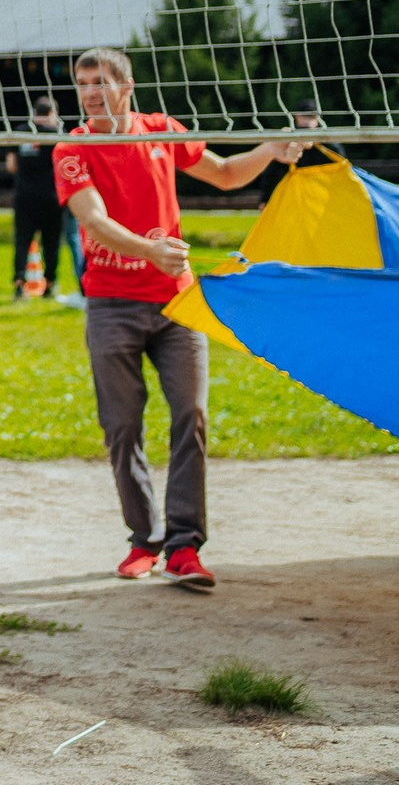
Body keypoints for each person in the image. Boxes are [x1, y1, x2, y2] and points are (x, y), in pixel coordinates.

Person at [57, 47, 301, 593]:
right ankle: (143, 540)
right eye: (82, 82)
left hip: (176, 302)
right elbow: (92, 220)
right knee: (122, 426)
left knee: (190, 415)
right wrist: (149, 250)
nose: (91, 91)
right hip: (111, 304)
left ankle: (185, 545)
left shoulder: (161, 130)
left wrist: (270, 149)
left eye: (101, 81)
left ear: (127, 86)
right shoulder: (73, 147)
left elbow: (226, 174)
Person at [6, 97, 66, 299]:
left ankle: (19, 284)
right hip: (51, 197)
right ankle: (49, 284)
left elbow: (11, 166)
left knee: (22, 241)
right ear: (51, 114)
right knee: (52, 242)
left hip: (24, 196)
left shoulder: (20, 131)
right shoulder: (57, 135)